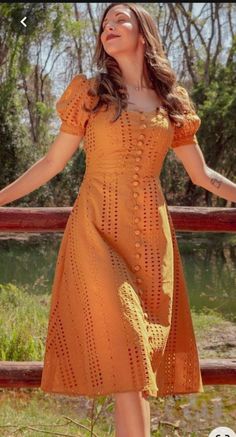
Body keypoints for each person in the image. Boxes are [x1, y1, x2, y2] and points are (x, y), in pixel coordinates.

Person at [0, 3, 235, 437]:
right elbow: (52, 162)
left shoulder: (172, 101)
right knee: (129, 349)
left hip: (150, 238)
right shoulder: (91, 92)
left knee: (139, 369)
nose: (108, 27)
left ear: (142, 33)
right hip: (96, 231)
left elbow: (203, 176)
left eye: (119, 21)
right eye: (105, 23)